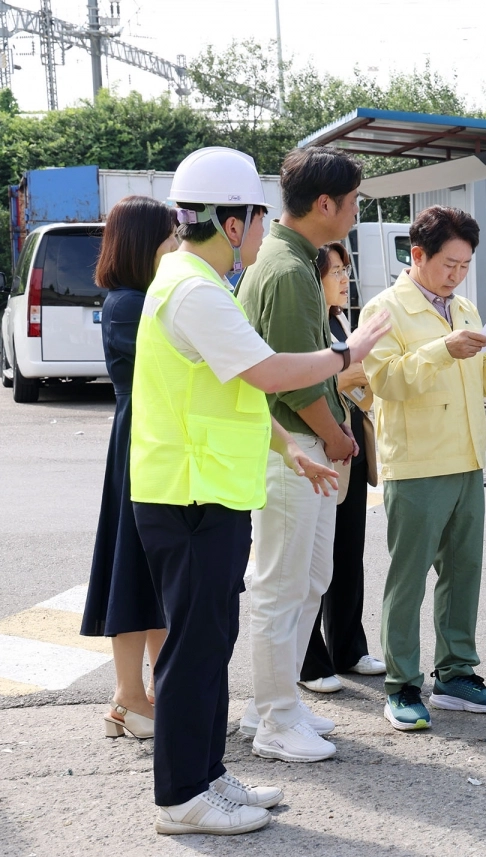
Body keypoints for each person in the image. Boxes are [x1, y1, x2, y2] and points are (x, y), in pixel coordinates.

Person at [130, 146, 391, 835]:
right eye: (252, 215)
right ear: (234, 219)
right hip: (188, 496)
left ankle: (208, 775)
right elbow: (270, 371)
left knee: (211, 640)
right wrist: (348, 351)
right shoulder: (191, 287)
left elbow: (239, 386)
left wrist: (289, 453)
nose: (258, 226)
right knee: (194, 648)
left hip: (205, 490)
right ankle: (182, 794)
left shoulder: (195, 280)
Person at [361, 205, 486, 731]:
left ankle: (456, 673)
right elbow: (384, 381)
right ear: (417, 256)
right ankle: (402, 685)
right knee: (407, 578)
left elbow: (481, 381)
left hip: (467, 460)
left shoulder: (467, 309)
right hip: (416, 463)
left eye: (464, 266)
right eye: (448, 265)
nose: (457, 275)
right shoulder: (385, 309)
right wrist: (442, 348)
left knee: (463, 573)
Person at [236, 146, 363, 762]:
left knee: (310, 578)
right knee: (280, 587)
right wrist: (337, 436)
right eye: (355, 199)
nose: (357, 210)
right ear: (324, 204)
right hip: (293, 450)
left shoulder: (293, 258)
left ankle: (282, 701)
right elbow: (292, 376)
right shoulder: (287, 270)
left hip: (306, 447)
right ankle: (274, 718)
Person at [81, 195, 176, 740]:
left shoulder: (137, 298)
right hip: (140, 442)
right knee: (133, 572)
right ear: (144, 244)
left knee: (152, 574)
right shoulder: (129, 304)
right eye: (168, 238)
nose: (176, 246)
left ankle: (150, 695)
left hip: (148, 440)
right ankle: (128, 695)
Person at [299, 241, 386, 693]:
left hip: (351, 448)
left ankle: (348, 647)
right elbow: (307, 384)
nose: (343, 280)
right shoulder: (307, 323)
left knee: (348, 553)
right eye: (334, 271)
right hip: (320, 449)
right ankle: (309, 659)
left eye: (345, 271)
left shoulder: (338, 320)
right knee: (313, 562)